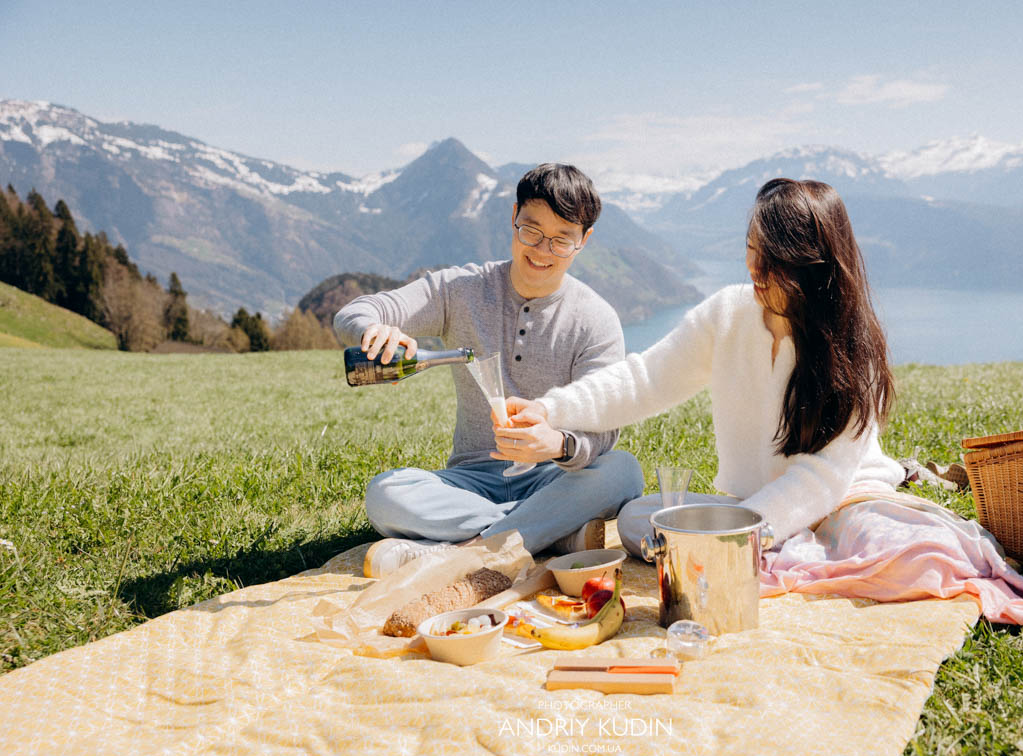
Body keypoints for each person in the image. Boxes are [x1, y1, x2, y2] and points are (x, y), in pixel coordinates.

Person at [503, 178, 906, 556]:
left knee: (884, 549)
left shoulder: (852, 349)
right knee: (638, 520)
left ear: (811, 266)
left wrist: (741, 533)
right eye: (752, 248)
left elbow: (820, 479)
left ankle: (750, 549)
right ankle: (748, 549)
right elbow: (644, 380)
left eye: (773, 259)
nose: (754, 268)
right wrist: (549, 410)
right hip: (746, 509)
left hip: (840, 503)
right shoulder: (728, 314)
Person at [333, 163, 644, 573]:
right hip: (470, 481)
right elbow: (355, 312)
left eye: (561, 240)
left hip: (552, 478)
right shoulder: (460, 290)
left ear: (584, 240)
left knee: (623, 470)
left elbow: (604, 429)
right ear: (513, 216)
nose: (541, 250)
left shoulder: (596, 319)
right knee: (386, 493)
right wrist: (372, 329)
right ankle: (551, 533)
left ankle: (468, 548)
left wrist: (558, 444)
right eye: (531, 230)